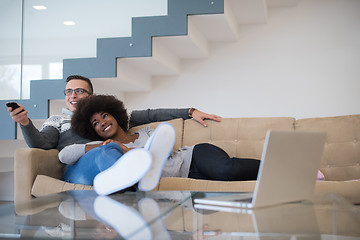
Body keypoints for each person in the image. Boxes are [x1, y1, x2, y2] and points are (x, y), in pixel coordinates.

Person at [59, 95, 261, 195]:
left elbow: (166, 147)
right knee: (221, 192)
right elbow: (64, 156)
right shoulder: (103, 147)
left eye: (105, 116)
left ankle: (277, 167)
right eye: (95, 123)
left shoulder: (146, 132)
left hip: (194, 158)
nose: (102, 123)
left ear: (116, 116)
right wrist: (105, 146)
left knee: (226, 170)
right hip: (186, 178)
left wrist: (131, 151)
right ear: (92, 130)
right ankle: (142, 175)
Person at [7, 75, 221, 152]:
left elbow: (149, 115)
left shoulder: (107, 118)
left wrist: (189, 111)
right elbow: (43, 145)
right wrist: (25, 122)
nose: (73, 95)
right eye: (69, 91)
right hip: (83, 161)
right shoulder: (57, 120)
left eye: (79, 91)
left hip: (114, 156)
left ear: (91, 96)